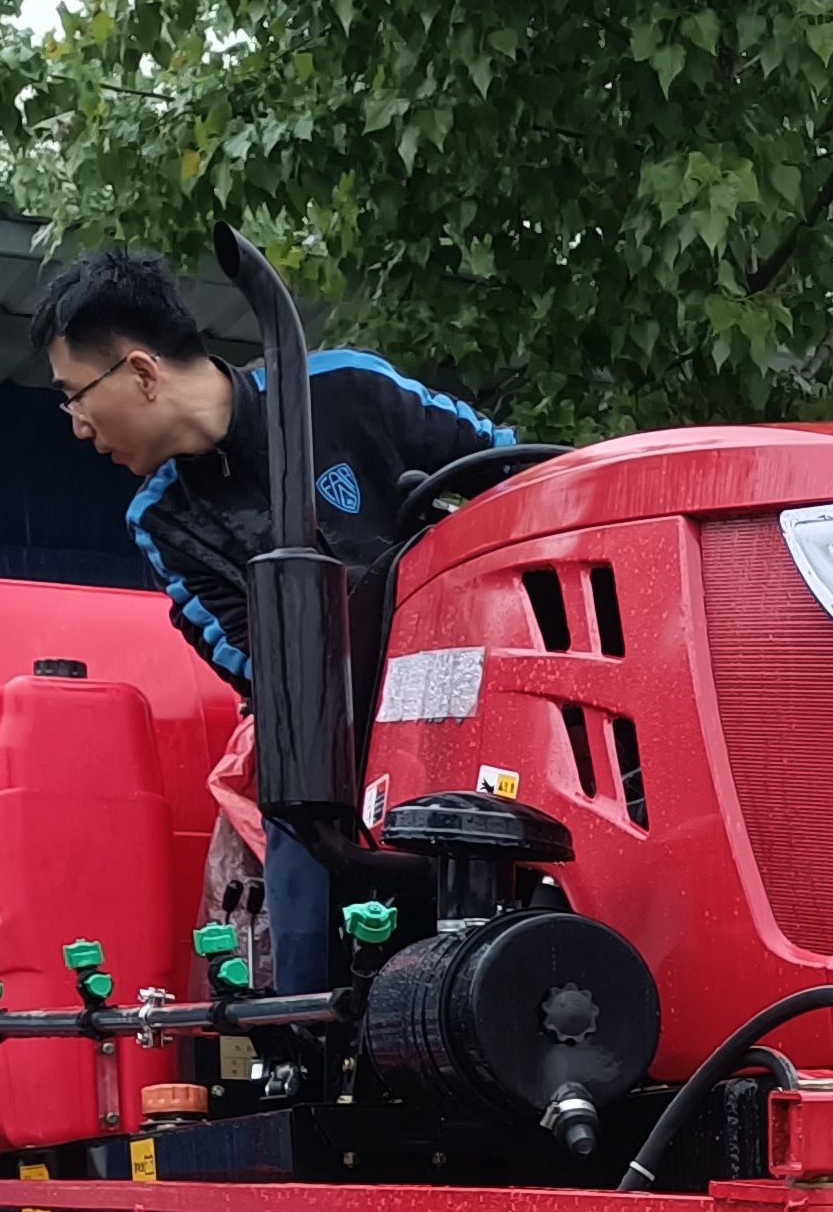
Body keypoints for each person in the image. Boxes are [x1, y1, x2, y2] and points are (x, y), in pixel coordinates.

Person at [29, 244, 512, 986]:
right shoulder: (164, 523)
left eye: (73, 395)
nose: (76, 426)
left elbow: (518, 475)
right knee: (307, 956)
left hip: (496, 715)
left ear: (141, 372)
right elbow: (267, 677)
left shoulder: (350, 389)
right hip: (345, 777)